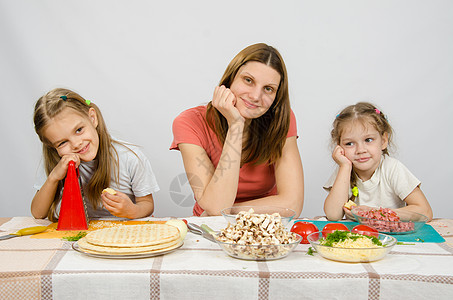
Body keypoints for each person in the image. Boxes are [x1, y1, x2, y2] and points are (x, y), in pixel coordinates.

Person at [170, 43, 304, 216]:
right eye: (248, 80)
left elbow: (292, 204)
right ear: (230, 79)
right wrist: (236, 124)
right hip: (211, 228)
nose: (256, 96)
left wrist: (230, 211)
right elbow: (216, 204)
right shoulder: (189, 123)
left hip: (264, 223)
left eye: (268, 89)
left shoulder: (280, 120)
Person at [32, 88, 159, 221]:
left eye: (79, 130)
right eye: (62, 143)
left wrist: (131, 211)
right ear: (52, 146)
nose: (76, 144)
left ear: (92, 118)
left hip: (124, 233)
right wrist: (54, 177)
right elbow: (38, 213)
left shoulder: (130, 157)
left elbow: (147, 205)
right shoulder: (58, 163)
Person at [323, 102, 433, 221]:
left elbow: (425, 212)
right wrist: (344, 167)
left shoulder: (392, 168)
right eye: (349, 143)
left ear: (383, 141)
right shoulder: (345, 169)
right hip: (358, 236)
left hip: (392, 236)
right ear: (339, 147)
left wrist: (375, 213)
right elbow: (333, 215)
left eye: (368, 140)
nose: (360, 150)